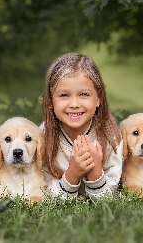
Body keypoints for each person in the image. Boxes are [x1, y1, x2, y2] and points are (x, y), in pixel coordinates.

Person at [42, 52, 123, 201]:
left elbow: (106, 201)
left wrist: (95, 174)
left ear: (98, 98)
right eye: (64, 95)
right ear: (51, 100)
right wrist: (72, 174)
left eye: (84, 94)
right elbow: (47, 197)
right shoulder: (41, 137)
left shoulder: (111, 137)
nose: (74, 104)